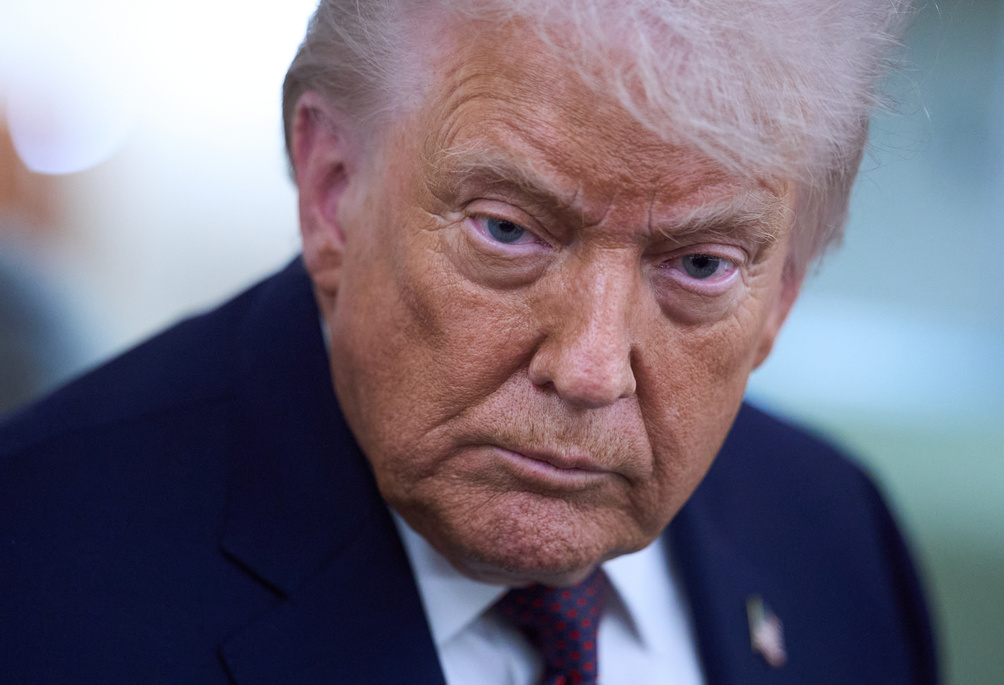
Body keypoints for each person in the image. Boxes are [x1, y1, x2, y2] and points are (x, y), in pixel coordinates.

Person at [0, 0, 937, 683]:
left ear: (783, 293)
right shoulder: (35, 570)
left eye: (698, 265)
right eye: (508, 231)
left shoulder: (836, 537)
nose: (588, 368)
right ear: (333, 190)